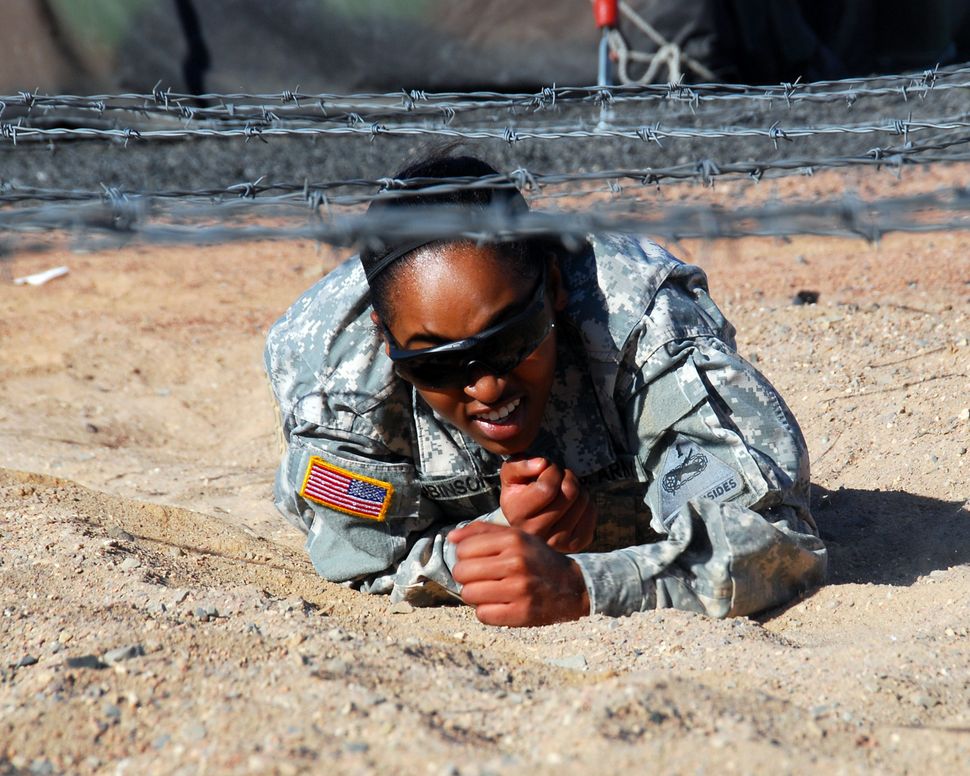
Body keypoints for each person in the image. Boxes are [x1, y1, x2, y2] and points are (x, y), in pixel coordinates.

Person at [264, 153, 826, 627]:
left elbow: (775, 541)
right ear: (389, 344)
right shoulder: (338, 381)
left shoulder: (639, 323)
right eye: (440, 364)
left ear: (553, 288)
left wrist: (583, 585)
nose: (486, 385)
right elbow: (359, 558)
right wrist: (498, 540)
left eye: (511, 340)